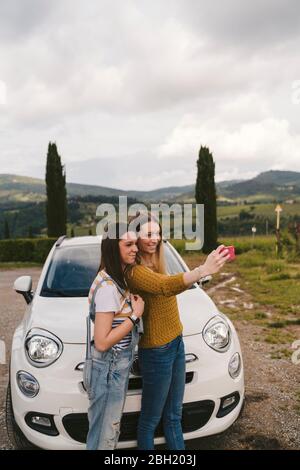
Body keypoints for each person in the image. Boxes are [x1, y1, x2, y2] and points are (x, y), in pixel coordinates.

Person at [125, 213, 231, 450]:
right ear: (136, 236)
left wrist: (204, 268)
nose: (155, 239)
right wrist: (202, 269)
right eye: (148, 234)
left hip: (176, 342)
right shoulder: (135, 271)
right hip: (156, 352)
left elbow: (173, 285)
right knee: (150, 421)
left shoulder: (157, 263)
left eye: (158, 233)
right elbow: (165, 287)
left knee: (174, 415)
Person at [83, 222, 144, 450]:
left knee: (106, 431)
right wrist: (135, 316)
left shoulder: (114, 279)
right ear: (112, 248)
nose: (135, 249)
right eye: (128, 244)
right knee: (104, 437)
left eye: (135, 244)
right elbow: (102, 341)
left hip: (112, 369)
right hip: (109, 371)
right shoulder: (109, 288)